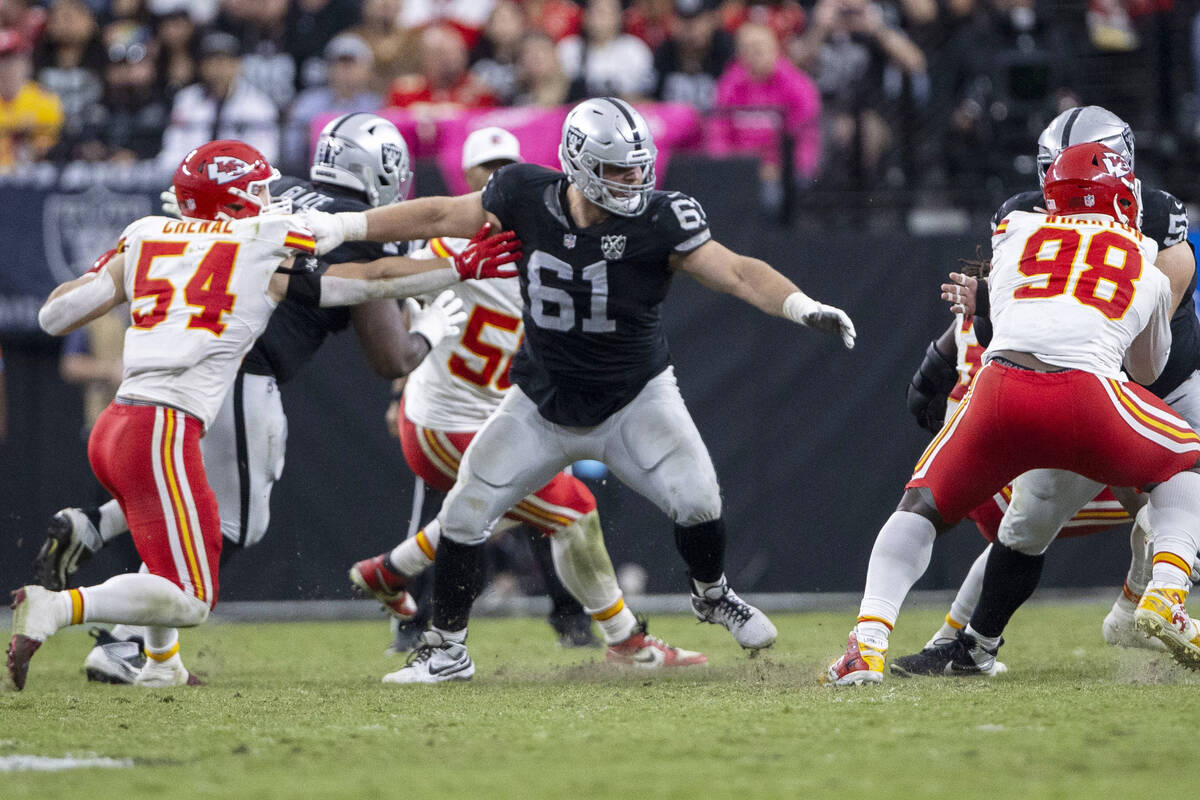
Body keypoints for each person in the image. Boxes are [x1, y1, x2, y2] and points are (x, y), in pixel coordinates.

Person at [300, 96, 857, 683]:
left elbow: (739, 271)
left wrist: (802, 306)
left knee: (699, 501)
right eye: (619, 168)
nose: (634, 179)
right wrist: (345, 225)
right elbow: (440, 216)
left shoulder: (661, 217)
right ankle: (447, 650)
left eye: (639, 166)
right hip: (541, 402)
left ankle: (712, 594)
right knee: (465, 512)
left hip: (636, 398)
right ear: (579, 162)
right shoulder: (522, 194)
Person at [9, 137, 522, 691]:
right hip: (163, 429)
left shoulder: (144, 233)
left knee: (187, 545)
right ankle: (56, 608)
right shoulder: (263, 239)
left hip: (118, 422)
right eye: (257, 191)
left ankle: (161, 664)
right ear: (229, 203)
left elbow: (55, 316)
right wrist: (457, 268)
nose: (270, 198)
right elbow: (366, 280)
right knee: (191, 596)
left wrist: (132, 258)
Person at [825, 142, 1200, 686]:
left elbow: (1002, 318)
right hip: (1089, 395)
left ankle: (868, 643)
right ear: (1123, 196)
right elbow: (1144, 371)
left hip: (1001, 393)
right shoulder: (1144, 254)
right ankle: (1165, 593)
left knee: (921, 506)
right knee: (1185, 460)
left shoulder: (1017, 231)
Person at [350, 126, 708, 675]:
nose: (495, 182)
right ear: (467, 184)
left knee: (498, 507)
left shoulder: (539, 242)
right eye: (483, 174)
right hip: (450, 421)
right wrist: (400, 377)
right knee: (572, 511)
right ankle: (624, 642)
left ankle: (392, 570)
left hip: (493, 415)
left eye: (505, 170)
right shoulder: (467, 244)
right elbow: (395, 291)